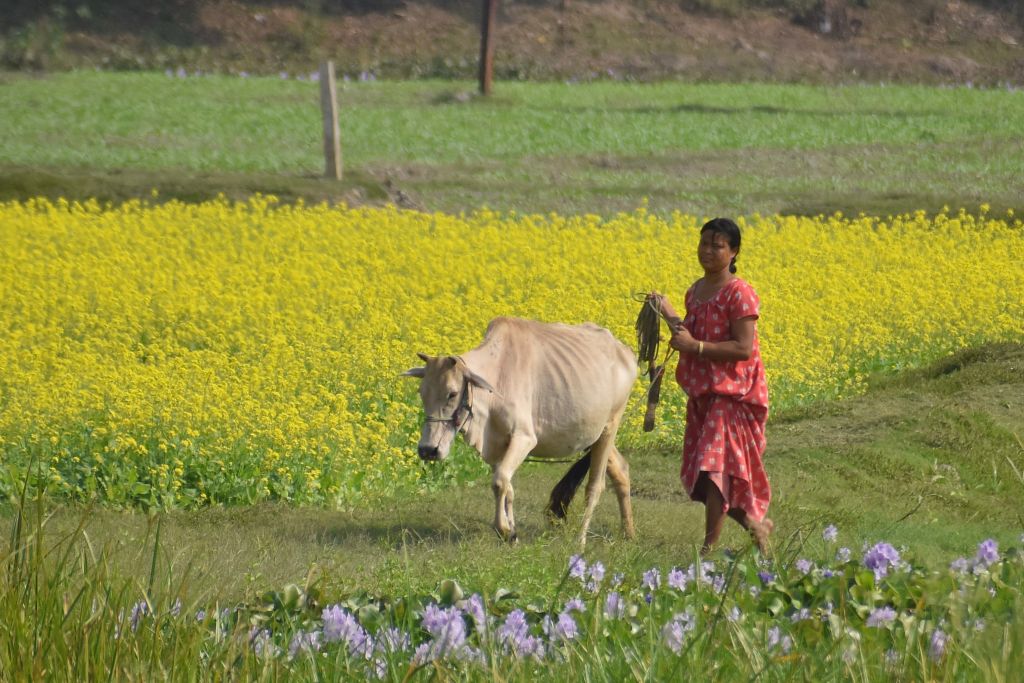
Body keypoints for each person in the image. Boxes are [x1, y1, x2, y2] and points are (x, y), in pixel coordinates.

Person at [651, 217, 772, 555]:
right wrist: (667, 311)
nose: (708, 251)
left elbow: (743, 348)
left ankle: (708, 550)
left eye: (717, 246)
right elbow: (689, 334)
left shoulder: (740, 293)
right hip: (705, 392)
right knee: (708, 476)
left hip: (733, 394)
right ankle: (754, 525)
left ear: (733, 252)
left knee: (715, 467)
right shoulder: (696, 291)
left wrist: (696, 348)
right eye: (704, 243)